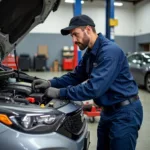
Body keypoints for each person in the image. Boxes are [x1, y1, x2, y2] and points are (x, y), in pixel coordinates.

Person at [32, 14, 143, 150]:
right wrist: (50, 83)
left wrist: (60, 93)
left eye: (76, 34)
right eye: (72, 36)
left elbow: (93, 89)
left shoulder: (109, 52)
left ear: (88, 29)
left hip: (125, 113)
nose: (73, 40)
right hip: (108, 112)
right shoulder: (90, 54)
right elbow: (75, 77)